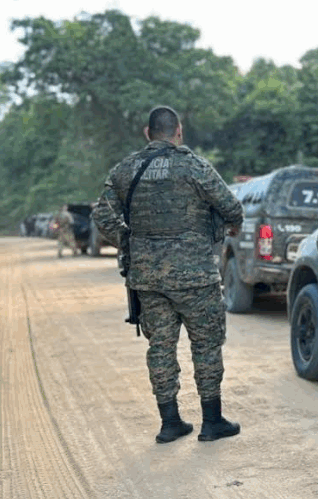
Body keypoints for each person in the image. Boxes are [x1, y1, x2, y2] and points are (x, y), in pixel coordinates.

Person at [92, 106, 244, 444]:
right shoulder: (194, 166)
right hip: (196, 278)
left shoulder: (126, 170)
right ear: (179, 132)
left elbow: (102, 215)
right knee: (205, 346)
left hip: (147, 278)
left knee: (160, 347)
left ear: (148, 133)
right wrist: (222, 228)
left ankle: (170, 422)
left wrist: (129, 241)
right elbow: (232, 208)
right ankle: (212, 421)